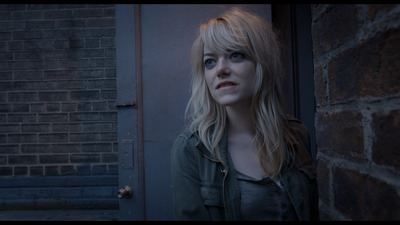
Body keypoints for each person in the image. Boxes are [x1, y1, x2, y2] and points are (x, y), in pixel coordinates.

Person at [170, 7, 319, 221]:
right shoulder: (192, 150)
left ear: (262, 64)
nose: (220, 69)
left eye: (235, 55)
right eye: (210, 61)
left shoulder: (296, 134)